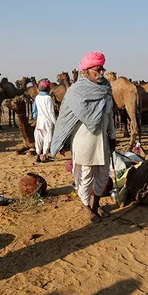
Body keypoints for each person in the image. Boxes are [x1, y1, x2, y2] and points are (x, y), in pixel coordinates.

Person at [50, 51, 116, 223]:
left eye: (102, 69)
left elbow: (109, 116)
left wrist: (113, 135)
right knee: (85, 176)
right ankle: (87, 207)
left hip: (103, 140)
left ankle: (96, 205)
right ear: (87, 71)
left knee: (103, 175)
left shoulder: (106, 89)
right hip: (84, 140)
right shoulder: (76, 91)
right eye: (98, 70)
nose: (102, 73)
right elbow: (66, 119)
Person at [33, 78, 56, 163]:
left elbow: (34, 109)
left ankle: (38, 155)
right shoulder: (48, 98)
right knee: (47, 138)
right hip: (48, 121)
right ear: (47, 88)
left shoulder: (37, 97)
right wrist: (55, 122)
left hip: (39, 120)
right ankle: (44, 156)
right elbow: (51, 112)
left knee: (38, 137)